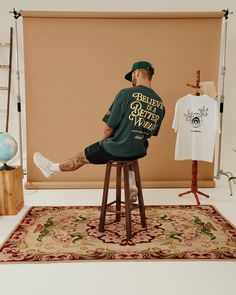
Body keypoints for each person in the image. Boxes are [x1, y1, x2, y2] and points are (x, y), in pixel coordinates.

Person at [33, 61, 165, 202]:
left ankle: (51, 168)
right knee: (131, 144)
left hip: (116, 149)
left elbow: (109, 127)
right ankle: (131, 182)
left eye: (132, 75)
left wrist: (102, 144)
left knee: (80, 158)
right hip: (138, 150)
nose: (132, 79)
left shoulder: (126, 93)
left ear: (137, 73)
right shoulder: (160, 104)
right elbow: (150, 133)